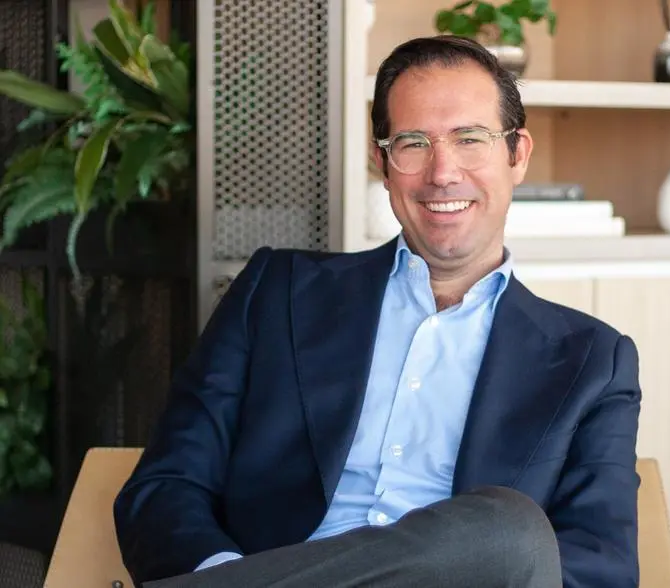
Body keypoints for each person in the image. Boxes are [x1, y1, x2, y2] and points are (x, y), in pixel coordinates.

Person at [114, 35, 642, 588]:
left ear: (518, 154)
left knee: (509, 533)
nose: (443, 172)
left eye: (470, 139)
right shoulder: (277, 291)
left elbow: (599, 568)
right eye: (413, 143)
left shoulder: (594, 361)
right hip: (263, 568)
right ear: (383, 163)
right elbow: (165, 486)